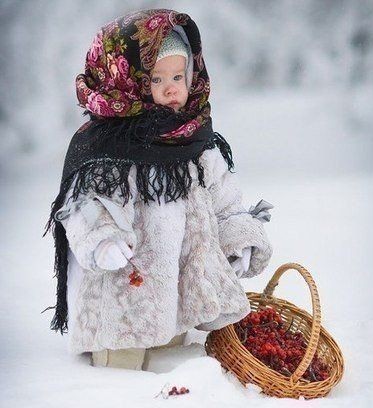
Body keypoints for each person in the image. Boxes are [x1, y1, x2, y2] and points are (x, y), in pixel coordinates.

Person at [43, 9, 273, 371]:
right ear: (126, 80)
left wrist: (238, 239)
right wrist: (103, 240)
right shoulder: (109, 149)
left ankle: (173, 358)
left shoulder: (197, 143)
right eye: (156, 78)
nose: (171, 88)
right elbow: (86, 206)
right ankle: (114, 371)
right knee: (121, 375)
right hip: (122, 295)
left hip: (181, 299)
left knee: (177, 365)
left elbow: (225, 203)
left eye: (178, 76)